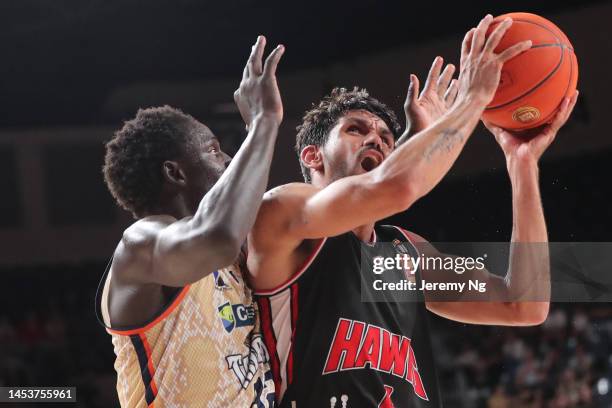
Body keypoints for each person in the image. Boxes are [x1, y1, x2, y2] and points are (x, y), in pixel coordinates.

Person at [247, 15, 578, 407]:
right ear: (312, 156)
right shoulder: (287, 216)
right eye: (355, 129)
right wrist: (472, 99)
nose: (375, 138)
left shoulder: (405, 256)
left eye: (387, 138)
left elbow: (523, 305)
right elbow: (399, 186)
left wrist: (521, 166)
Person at [95, 36, 283, 407]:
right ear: (175, 172)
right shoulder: (142, 243)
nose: (228, 159)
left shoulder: (239, 252)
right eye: (213, 150)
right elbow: (216, 237)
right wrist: (263, 122)